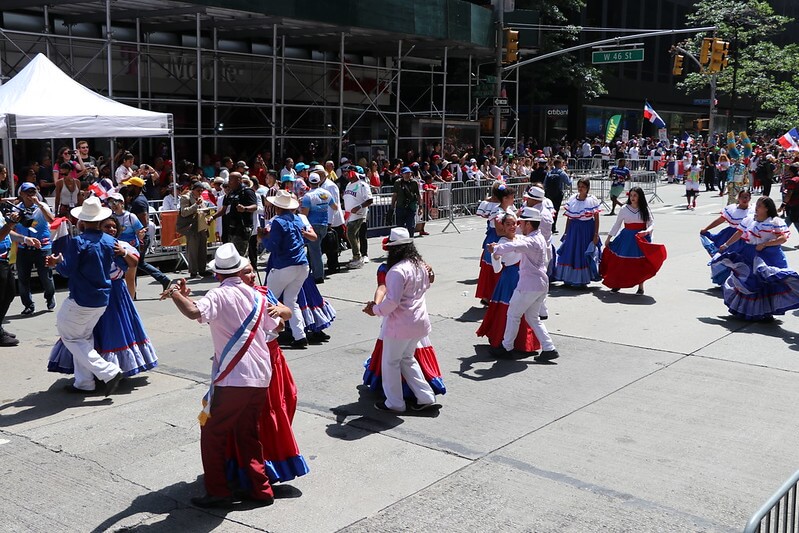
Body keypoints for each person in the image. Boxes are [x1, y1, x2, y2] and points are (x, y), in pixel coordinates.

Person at [161, 243, 280, 508]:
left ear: (217, 274)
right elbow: (276, 326)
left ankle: (218, 491)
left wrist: (174, 294)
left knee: (213, 433)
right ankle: (261, 490)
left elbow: (195, 312)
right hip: (261, 375)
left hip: (234, 377)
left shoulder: (218, 295)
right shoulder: (258, 296)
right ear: (240, 270)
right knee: (248, 433)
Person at [48, 216, 158, 377]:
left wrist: (124, 252)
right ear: (99, 227)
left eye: (114, 227)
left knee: (110, 331)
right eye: (107, 226)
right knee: (89, 333)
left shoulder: (120, 245)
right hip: (101, 292)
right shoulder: (95, 244)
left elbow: (133, 264)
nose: (111, 229)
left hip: (116, 294)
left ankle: (106, 371)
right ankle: (93, 374)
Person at [231, 263, 310, 484]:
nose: (251, 275)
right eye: (245, 272)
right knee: (266, 411)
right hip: (256, 360)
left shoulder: (263, 293)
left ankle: (271, 454)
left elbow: (287, 312)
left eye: (251, 270)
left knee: (289, 398)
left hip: (275, 357)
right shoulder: (232, 299)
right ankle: (266, 463)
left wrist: (279, 311)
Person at [44, 197, 125, 395]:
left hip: (82, 298)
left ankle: (109, 371)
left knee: (70, 336)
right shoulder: (109, 241)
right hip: (101, 298)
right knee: (83, 337)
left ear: (82, 221)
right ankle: (84, 382)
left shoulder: (79, 242)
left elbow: (67, 270)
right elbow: (121, 263)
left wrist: (57, 263)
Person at [363, 228, 439, 413]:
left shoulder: (397, 270)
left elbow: (392, 302)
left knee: (391, 363)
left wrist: (374, 310)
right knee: (407, 359)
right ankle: (425, 397)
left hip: (400, 325)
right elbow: (427, 285)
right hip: (419, 322)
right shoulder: (420, 265)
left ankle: (395, 403)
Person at [487, 207, 558, 361]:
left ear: (528, 224)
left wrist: (496, 248)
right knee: (533, 318)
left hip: (529, 285)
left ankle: (506, 347)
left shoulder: (531, 240)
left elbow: (513, 246)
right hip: (540, 284)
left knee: (513, 314)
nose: (518, 226)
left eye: (521, 223)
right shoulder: (539, 237)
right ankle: (549, 348)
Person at [713, 196, 799, 321]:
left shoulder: (774, 221)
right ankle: (749, 311)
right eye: (757, 205)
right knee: (750, 283)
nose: (756, 207)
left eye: (759, 205)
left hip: (770, 256)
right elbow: (739, 233)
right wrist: (726, 244)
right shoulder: (750, 220)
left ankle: (766, 312)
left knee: (769, 282)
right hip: (751, 254)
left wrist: (764, 244)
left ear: (767, 209)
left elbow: (783, 238)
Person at [476, 212, 541, 353]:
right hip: (509, 279)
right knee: (510, 312)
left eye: (514, 223)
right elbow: (497, 268)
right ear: (502, 226)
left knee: (524, 311)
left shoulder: (522, 238)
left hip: (524, 276)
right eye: (508, 224)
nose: (512, 227)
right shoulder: (501, 243)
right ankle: (505, 341)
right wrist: (496, 255)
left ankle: (523, 343)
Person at [264, 190, 314, 349]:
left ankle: (265, 336)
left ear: (277, 207)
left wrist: (262, 238)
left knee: (267, 299)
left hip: (285, 265)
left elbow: (273, 246)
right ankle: (300, 336)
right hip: (302, 265)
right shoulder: (298, 219)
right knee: (291, 301)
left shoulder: (278, 221)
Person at [600, 186, 667, 295]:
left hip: (640, 239)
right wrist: (609, 238)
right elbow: (617, 224)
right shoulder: (624, 209)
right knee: (621, 261)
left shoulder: (644, 209)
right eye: (631, 195)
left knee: (640, 263)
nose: (632, 198)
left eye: (635, 195)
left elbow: (651, 224)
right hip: (626, 239)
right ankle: (617, 284)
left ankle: (640, 287)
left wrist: (646, 232)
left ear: (640, 197)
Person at [0, 209, 41, 346]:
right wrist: (10, 223)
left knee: (9, 293)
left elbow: (6, 233)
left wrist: (24, 239)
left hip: (4, 259)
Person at [123, 177, 171, 291]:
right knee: (137, 263)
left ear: (135, 187)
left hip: (141, 237)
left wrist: (141, 238)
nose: (128, 188)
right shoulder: (138, 199)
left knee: (134, 263)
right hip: (141, 237)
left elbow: (144, 221)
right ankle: (162, 280)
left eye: (130, 186)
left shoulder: (138, 202)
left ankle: (133, 291)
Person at [554, 177, 602, 288]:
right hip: (574, 229)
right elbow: (569, 217)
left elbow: (596, 218)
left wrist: (596, 234)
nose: (581, 189)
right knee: (571, 251)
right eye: (579, 186)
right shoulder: (572, 199)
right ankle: (569, 278)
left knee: (582, 253)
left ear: (587, 188)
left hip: (586, 229)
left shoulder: (592, 200)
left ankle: (582, 279)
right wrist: (566, 232)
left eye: (583, 187)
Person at [700, 189, 753, 285]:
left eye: (746, 197)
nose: (744, 199)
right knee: (728, 259)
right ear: (738, 198)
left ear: (750, 198)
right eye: (742, 197)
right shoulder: (732, 209)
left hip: (746, 238)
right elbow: (720, 220)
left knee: (744, 260)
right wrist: (706, 229)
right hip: (730, 237)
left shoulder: (753, 211)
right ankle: (727, 281)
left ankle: (742, 282)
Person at [475, 183, 512, 304]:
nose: (513, 199)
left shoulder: (509, 209)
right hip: (496, 238)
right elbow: (499, 231)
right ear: (505, 198)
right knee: (493, 267)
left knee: (497, 267)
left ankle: (493, 296)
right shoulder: (497, 211)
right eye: (511, 197)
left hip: (501, 237)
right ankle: (489, 296)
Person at [207, 171, 257, 257]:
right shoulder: (231, 193)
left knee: (240, 255)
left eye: (231, 180)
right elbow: (224, 209)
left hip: (242, 227)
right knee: (231, 253)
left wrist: (244, 209)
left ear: (239, 180)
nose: (229, 182)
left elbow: (255, 207)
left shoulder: (247, 192)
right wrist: (213, 217)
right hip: (231, 228)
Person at [300, 172, 337, 282]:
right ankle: (309, 271)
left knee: (315, 251)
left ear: (309, 182)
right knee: (313, 250)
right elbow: (335, 207)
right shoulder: (326, 193)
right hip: (324, 225)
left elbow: (304, 214)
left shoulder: (308, 196)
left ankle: (318, 276)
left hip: (313, 226)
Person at [342, 166, 373, 269]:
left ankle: (358, 257)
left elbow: (369, 200)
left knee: (351, 234)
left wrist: (359, 206)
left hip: (359, 215)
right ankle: (357, 254)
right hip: (349, 215)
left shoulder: (362, 185)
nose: (346, 174)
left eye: (347, 172)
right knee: (351, 235)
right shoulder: (348, 185)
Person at [178, 181, 210, 279]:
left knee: (202, 249)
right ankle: (193, 271)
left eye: (201, 191)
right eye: (198, 190)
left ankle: (202, 269)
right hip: (191, 227)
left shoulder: (201, 197)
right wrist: (196, 205)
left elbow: (202, 209)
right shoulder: (185, 198)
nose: (200, 192)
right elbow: (184, 212)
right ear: (193, 189)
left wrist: (207, 215)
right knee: (193, 250)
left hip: (201, 225)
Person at [390, 167, 422, 237]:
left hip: (411, 207)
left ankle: (410, 239)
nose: (408, 175)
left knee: (411, 226)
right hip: (400, 207)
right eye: (405, 173)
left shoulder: (414, 182)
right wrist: (392, 207)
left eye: (409, 173)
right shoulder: (398, 183)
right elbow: (395, 195)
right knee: (400, 227)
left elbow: (418, 195)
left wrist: (420, 207)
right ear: (402, 174)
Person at [543, 157, 571, 234]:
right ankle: (553, 227)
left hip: (549, 193)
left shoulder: (549, 172)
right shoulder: (562, 173)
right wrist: (571, 177)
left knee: (548, 210)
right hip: (558, 194)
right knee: (556, 210)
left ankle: (548, 226)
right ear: (559, 164)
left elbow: (545, 183)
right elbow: (568, 183)